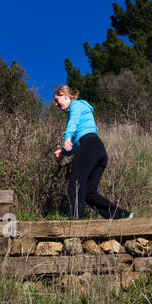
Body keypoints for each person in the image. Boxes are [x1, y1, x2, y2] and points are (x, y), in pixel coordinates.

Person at [52, 85, 133, 220]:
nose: (55, 104)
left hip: (89, 146)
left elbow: (74, 122)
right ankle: (122, 216)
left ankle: (74, 224)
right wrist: (64, 151)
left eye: (57, 99)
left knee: (76, 183)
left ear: (66, 96)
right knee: (88, 192)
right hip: (97, 149)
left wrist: (67, 137)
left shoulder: (76, 105)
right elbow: (78, 143)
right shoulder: (82, 109)